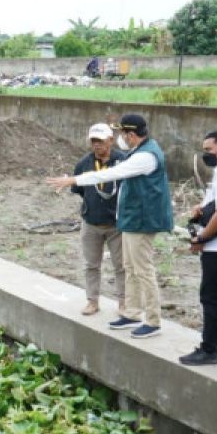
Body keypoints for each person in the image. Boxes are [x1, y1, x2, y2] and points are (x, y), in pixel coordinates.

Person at [46, 114, 173, 339]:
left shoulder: (146, 156)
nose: (122, 138)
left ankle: (153, 321)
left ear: (131, 135)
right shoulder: (139, 151)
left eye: (123, 134)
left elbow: (113, 173)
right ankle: (132, 313)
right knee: (131, 268)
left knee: (143, 270)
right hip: (132, 219)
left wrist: (74, 180)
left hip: (142, 221)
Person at [179, 131, 217, 365]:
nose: (205, 155)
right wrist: (202, 209)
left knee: (211, 297)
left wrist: (202, 238)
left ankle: (209, 349)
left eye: (209, 150)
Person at [69, 122, 127, 315]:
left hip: (117, 225)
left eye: (100, 141)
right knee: (91, 265)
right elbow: (78, 189)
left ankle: (123, 303)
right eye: (93, 141)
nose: (97, 145)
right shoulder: (84, 163)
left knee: (121, 266)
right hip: (91, 223)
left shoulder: (123, 161)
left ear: (111, 140)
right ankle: (92, 301)